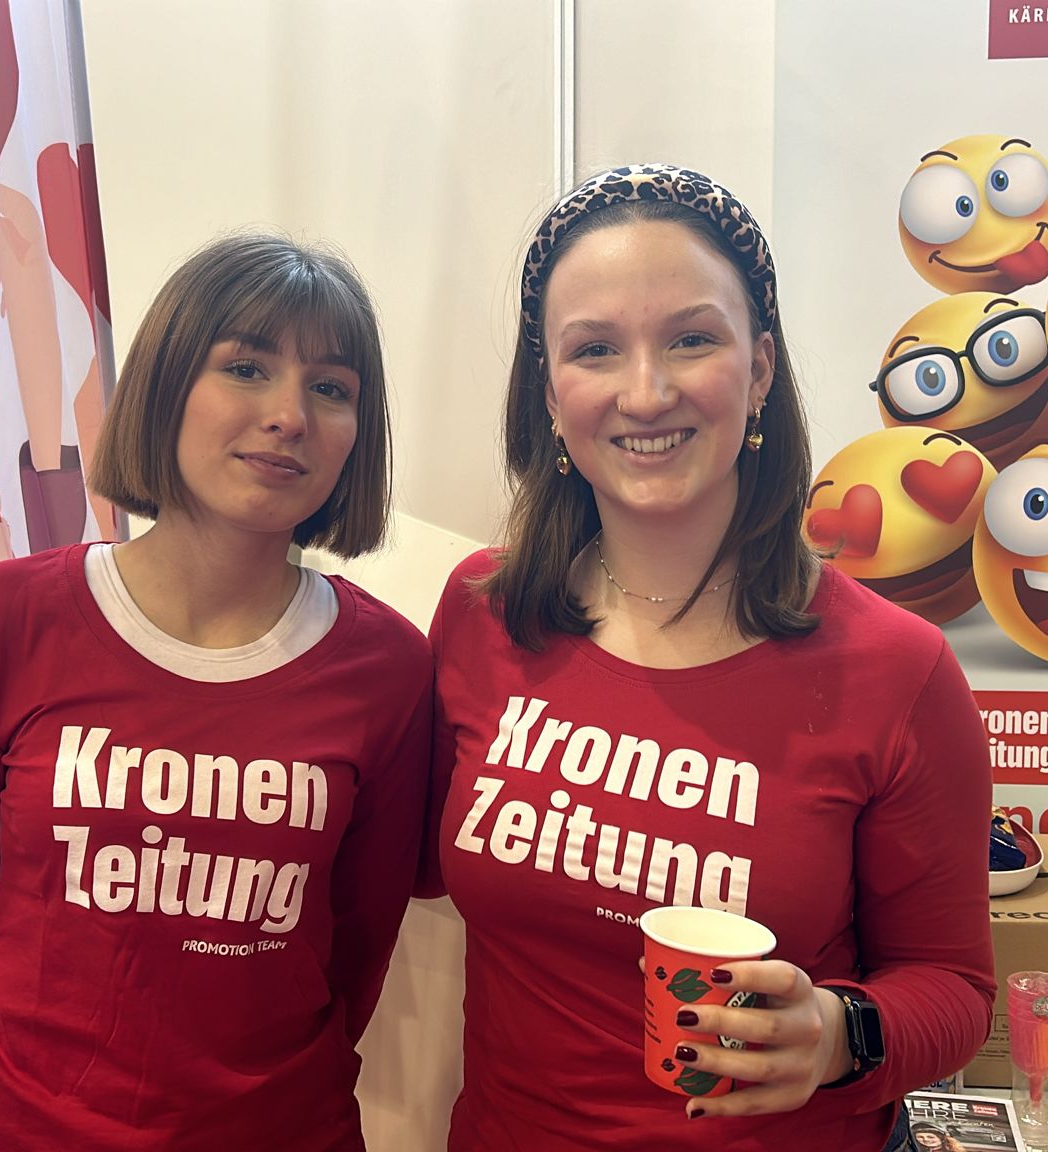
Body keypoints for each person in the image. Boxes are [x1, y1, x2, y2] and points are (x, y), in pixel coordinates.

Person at [424, 165, 994, 1151]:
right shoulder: (485, 611)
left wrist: (839, 1034)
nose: (645, 393)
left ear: (759, 368)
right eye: (594, 349)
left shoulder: (897, 670)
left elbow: (954, 987)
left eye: (691, 339)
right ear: (550, 394)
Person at [0, 232, 432, 1150]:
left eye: (331, 388)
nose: (289, 415)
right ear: (166, 383)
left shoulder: (388, 667)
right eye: (246, 367)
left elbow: (355, 950)